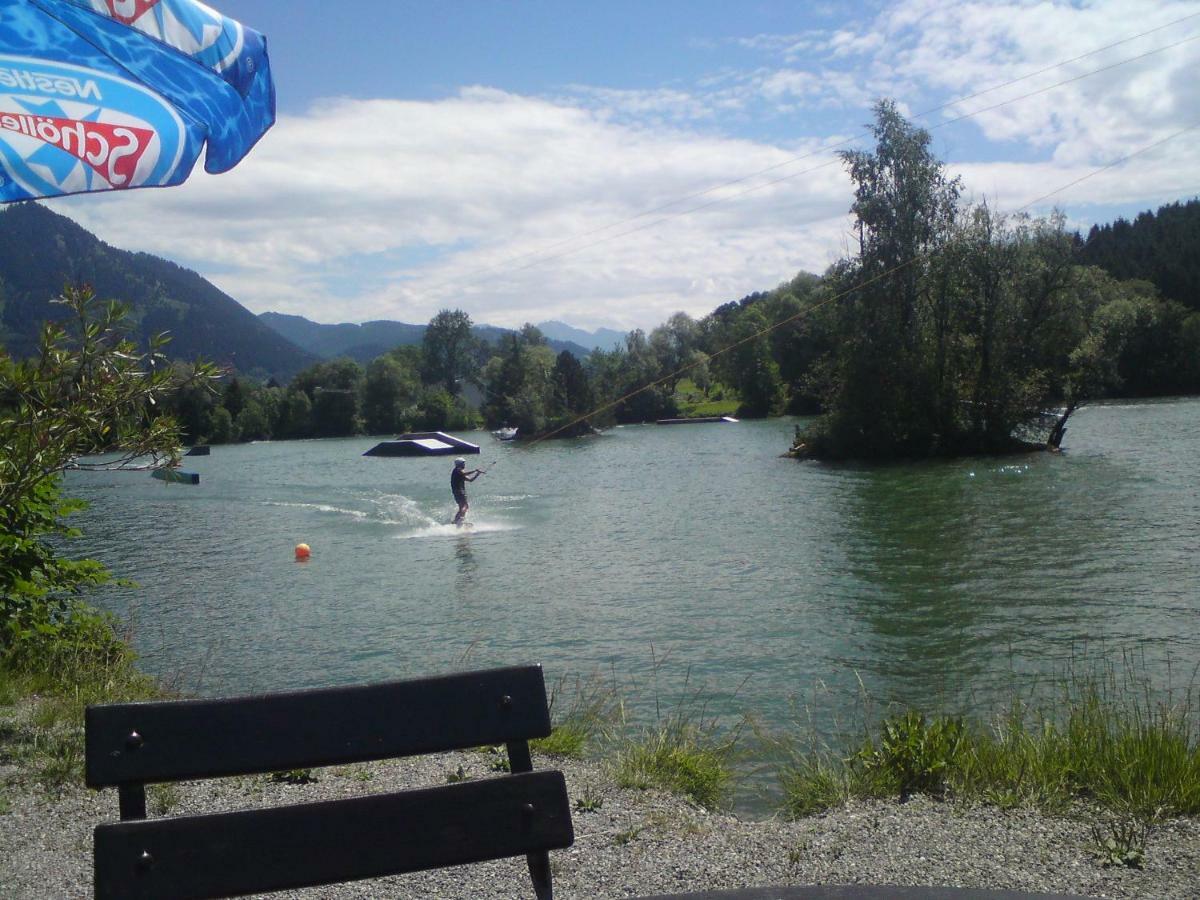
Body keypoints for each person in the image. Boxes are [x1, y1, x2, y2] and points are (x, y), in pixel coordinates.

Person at [450, 457, 483, 524]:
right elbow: (464, 474)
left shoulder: (459, 473)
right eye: (463, 463)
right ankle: (460, 520)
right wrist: (475, 471)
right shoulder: (457, 470)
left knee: (461, 507)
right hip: (460, 491)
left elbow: (470, 480)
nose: (464, 465)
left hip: (457, 492)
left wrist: (477, 474)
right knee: (465, 506)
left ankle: (455, 521)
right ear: (460, 464)